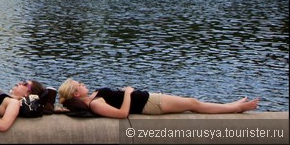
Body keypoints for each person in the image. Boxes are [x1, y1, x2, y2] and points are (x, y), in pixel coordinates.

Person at [57, 78, 259, 118]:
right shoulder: (96, 103)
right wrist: (127, 93)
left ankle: (232, 105)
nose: (83, 84)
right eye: (79, 85)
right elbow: (122, 113)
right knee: (193, 104)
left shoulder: (93, 97)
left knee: (192, 103)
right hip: (149, 104)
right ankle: (235, 108)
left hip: (149, 99)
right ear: (76, 94)